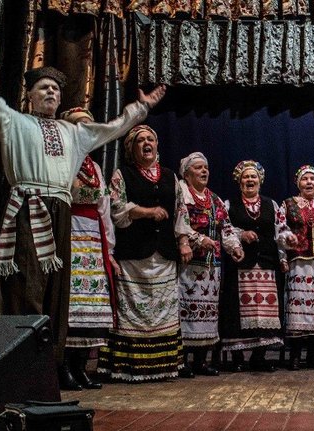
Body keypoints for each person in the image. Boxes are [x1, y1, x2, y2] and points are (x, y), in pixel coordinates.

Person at [0, 7, 166, 389]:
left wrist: (143, 107)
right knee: (26, 288)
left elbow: (113, 127)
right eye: (43, 88)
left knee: (57, 294)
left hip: (61, 212)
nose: (51, 92)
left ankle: (47, 370)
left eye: (56, 88)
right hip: (29, 208)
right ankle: (15, 369)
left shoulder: (74, 134)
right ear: (30, 96)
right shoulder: (13, 121)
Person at [97, 125, 200, 382]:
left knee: (163, 309)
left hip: (163, 253)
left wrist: (184, 241)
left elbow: (180, 211)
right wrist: (146, 211)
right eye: (140, 140)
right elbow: (116, 208)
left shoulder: (170, 176)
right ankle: (128, 367)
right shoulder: (122, 175)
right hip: (133, 253)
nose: (146, 143)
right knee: (132, 309)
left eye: (150, 139)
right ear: (132, 148)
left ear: (156, 145)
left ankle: (164, 365)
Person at [58, 107, 120, 390]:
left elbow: (104, 209)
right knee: (70, 304)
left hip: (93, 240)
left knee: (90, 306)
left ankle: (82, 367)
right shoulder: (62, 160)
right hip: (69, 234)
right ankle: (63, 368)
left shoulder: (94, 168)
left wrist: (109, 250)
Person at [220, 161, 297, 371]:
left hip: (266, 265)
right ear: (239, 181)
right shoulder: (229, 204)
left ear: (260, 180)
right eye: (246, 177)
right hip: (242, 265)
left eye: (253, 176)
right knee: (238, 310)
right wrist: (241, 235)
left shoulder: (272, 205)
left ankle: (259, 356)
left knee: (265, 311)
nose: (250, 180)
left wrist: (288, 239)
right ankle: (237, 357)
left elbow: (281, 229)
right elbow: (225, 229)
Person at [177, 152, 244, 377]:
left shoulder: (214, 199)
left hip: (211, 267)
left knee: (207, 314)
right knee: (185, 310)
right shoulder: (182, 195)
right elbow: (180, 224)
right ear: (186, 174)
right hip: (188, 263)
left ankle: (201, 361)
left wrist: (234, 246)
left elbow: (225, 227)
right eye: (198, 168)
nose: (204, 171)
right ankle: (181, 361)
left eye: (205, 167)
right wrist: (198, 239)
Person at [280, 165, 314, 370]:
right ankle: (295, 355)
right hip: (298, 262)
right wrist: (284, 254)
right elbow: (280, 230)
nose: (309, 182)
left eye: (313, 179)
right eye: (305, 179)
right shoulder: (287, 204)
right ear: (298, 183)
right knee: (298, 309)